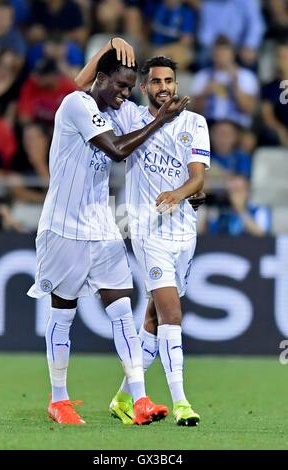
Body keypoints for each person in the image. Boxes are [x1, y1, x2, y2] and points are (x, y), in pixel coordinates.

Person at [27, 45, 189, 425]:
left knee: (120, 310)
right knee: (63, 313)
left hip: (102, 226)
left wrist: (160, 110)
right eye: (118, 86)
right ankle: (59, 399)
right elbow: (116, 151)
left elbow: (133, 114)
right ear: (100, 79)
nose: (124, 94)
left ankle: (140, 399)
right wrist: (159, 121)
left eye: (130, 88)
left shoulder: (118, 109)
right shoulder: (76, 106)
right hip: (63, 228)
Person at [75, 40, 210, 426]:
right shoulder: (129, 116)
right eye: (156, 81)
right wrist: (105, 48)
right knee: (172, 312)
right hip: (147, 231)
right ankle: (182, 402)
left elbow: (198, 177)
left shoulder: (194, 123)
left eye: (169, 80)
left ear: (176, 83)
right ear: (144, 87)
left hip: (184, 232)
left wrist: (180, 193)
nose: (164, 86)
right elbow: (81, 90)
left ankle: (122, 397)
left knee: (152, 318)